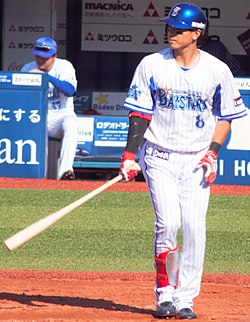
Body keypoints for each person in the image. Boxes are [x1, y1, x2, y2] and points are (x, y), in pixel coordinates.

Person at [119, 2, 247, 320]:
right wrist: (129, 155)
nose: (170, 32)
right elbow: (140, 113)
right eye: (170, 27)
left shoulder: (217, 70)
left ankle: (185, 297)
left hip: (195, 162)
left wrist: (213, 151)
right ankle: (165, 294)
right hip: (159, 155)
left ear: (196, 33)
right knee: (169, 224)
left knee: (193, 228)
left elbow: (226, 116)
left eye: (178, 28)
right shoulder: (152, 64)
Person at [21, 36, 78, 180]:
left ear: (54, 56)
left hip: (61, 115)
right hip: (38, 116)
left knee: (71, 122)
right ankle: (35, 176)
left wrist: (46, 77)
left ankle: (66, 172)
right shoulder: (28, 68)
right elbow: (21, 98)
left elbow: (70, 90)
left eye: (44, 57)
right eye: (38, 56)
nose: (40, 60)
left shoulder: (64, 66)